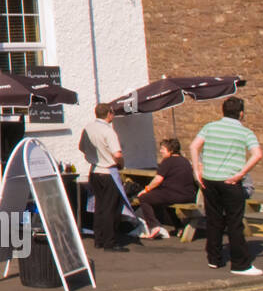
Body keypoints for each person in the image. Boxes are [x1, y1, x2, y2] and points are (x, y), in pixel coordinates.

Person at [190, 97, 263, 275]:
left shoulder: (209, 127)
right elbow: (257, 154)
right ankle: (240, 265)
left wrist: (197, 170)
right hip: (230, 181)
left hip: (209, 179)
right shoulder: (245, 133)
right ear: (241, 113)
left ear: (222, 111)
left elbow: (194, 146)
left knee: (214, 220)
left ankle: (214, 259)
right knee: (234, 223)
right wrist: (241, 173)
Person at [79, 103, 126, 252]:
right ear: (109, 114)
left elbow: (81, 147)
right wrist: (121, 163)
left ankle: (98, 239)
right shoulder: (108, 131)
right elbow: (117, 154)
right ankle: (109, 242)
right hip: (108, 171)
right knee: (110, 207)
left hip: (94, 171)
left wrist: (92, 156)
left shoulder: (88, 128)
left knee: (99, 206)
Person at [135, 138, 198, 238]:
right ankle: (179, 227)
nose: (160, 151)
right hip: (189, 195)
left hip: (174, 194)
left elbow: (157, 180)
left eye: (163, 149)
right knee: (165, 202)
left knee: (144, 198)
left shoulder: (168, 162)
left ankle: (153, 226)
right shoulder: (185, 161)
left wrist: (146, 190)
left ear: (171, 150)